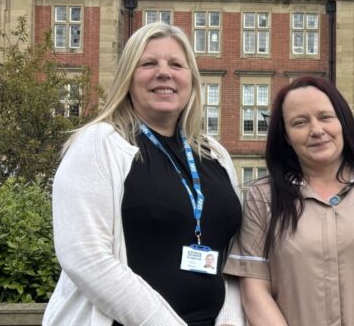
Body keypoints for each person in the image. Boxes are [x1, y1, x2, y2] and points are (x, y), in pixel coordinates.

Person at [44, 22, 245, 326]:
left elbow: (232, 255)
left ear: (191, 78)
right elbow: (85, 257)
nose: (164, 72)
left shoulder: (214, 154)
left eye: (176, 64)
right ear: (128, 77)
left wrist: (230, 320)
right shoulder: (99, 143)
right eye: (148, 63)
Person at [225, 76, 354, 326]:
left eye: (325, 117)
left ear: (343, 122)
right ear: (286, 137)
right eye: (300, 122)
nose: (316, 130)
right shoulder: (263, 199)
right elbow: (254, 290)